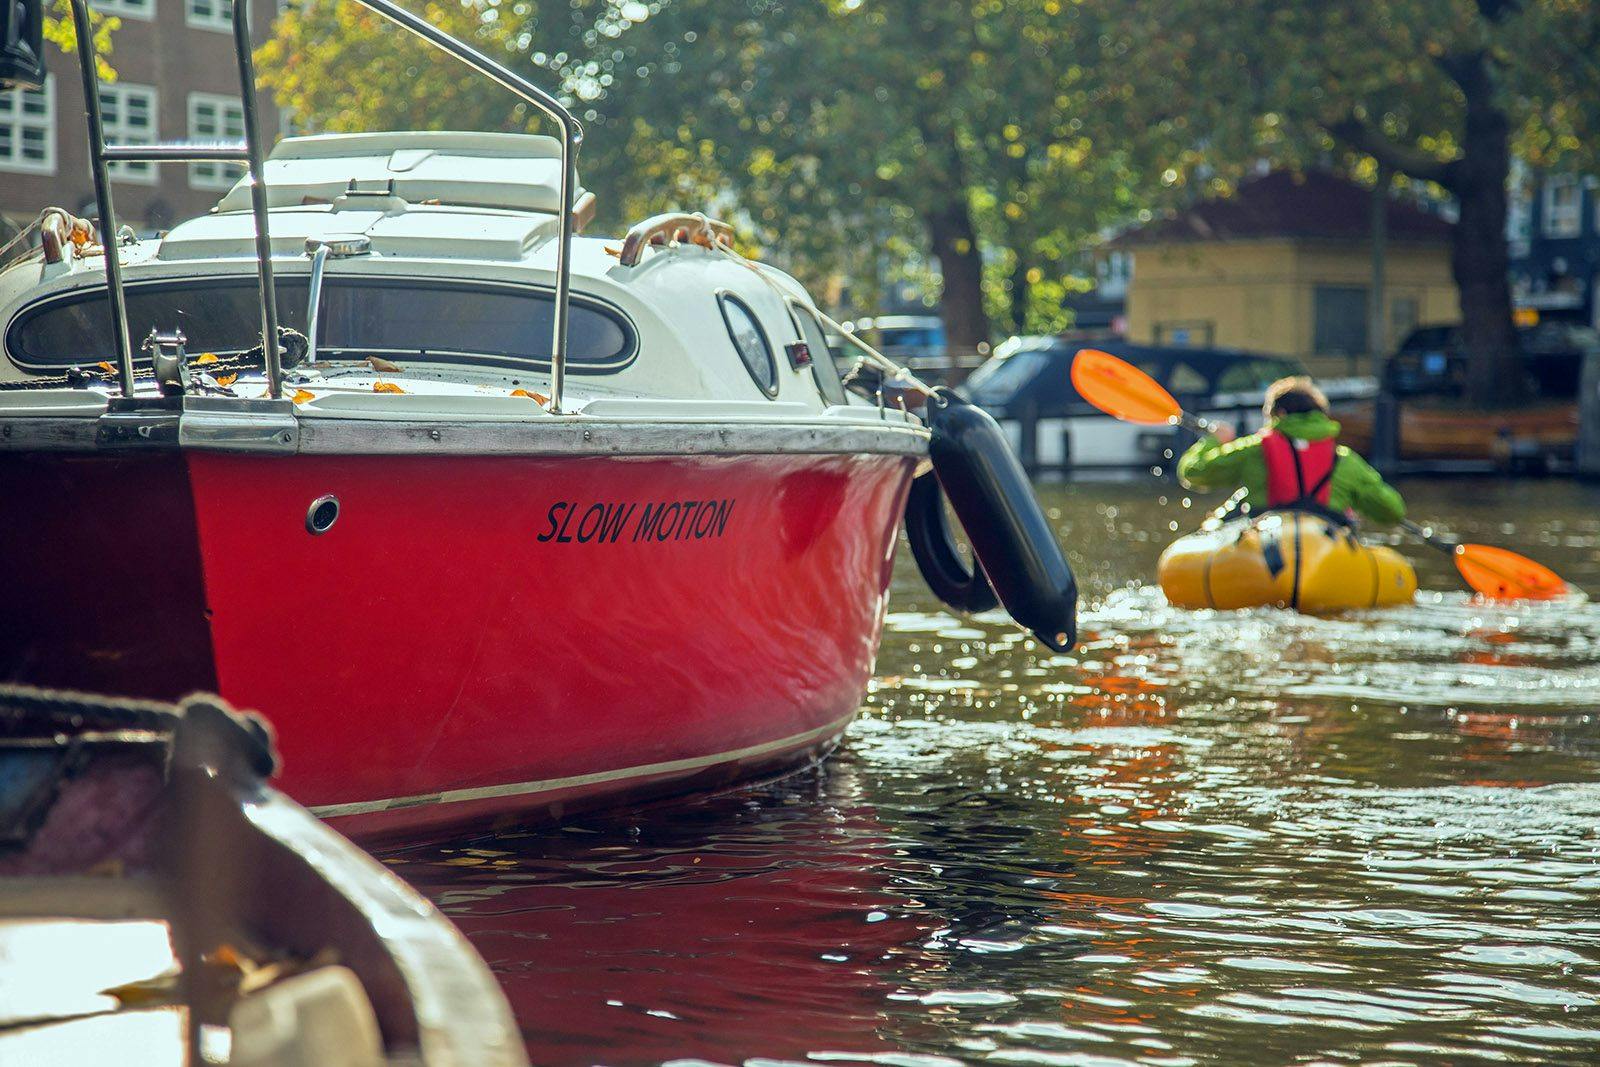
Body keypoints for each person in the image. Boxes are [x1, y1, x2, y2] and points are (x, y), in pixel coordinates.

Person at [1176, 375, 1405, 524]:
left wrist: (1214, 440)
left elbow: (1192, 472)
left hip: (1264, 543)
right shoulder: (1345, 460)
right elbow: (1393, 510)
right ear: (1319, 416)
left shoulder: (1255, 449)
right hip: (1323, 546)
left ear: (1279, 415)